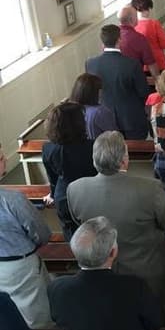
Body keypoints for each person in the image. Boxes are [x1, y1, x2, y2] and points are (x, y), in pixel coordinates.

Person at [67, 131, 165, 310]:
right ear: (124, 160)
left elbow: (81, 226)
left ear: (94, 160)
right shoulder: (151, 188)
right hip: (147, 272)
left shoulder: (75, 189)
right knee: (155, 319)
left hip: (100, 274)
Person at [48, 217, 162, 330]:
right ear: (113, 253)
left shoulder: (57, 288)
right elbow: (155, 323)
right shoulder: (134, 286)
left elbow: (60, 322)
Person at [42, 102, 97, 240]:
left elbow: (52, 177)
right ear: (78, 124)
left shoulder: (48, 148)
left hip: (64, 196)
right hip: (91, 191)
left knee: (72, 233)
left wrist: (53, 195)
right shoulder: (93, 145)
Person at [85, 25, 150, 140]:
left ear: (102, 41)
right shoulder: (132, 64)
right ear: (119, 40)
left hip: (102, 120)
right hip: (131, 119)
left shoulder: (90, 64)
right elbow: (143, 92)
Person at [0, 187, 52, 329]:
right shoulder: (12, 199)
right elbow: (42, 233)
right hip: (20, 265)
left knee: (7, 319)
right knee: (37, 317)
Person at [69, 72, 118, 139]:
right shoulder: (100, 112)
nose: (101, 92)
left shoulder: (71, 110)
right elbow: (115, 136)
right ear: (93, 92)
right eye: (99, 89)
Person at [118, 5, 160, 78]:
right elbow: (151, 63)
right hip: (135, 78)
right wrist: (158, 80)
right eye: (136, 16)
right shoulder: (139, 38)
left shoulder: (112, 36)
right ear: (132, 19)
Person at [132, 0, 165, 73]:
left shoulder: (132, 26)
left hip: (141, 64)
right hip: (157, 62)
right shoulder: (154, 24)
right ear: (148, 8)